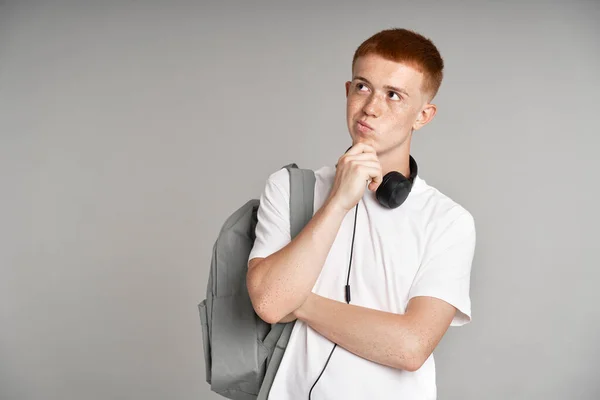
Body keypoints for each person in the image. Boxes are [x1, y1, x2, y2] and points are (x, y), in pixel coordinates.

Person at [246, 28, 476, 400]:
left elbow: (410, 347)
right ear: (348, 91)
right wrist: (337, 202)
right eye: (362, 87)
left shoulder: (448, 221)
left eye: (394, 95)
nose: (371, 107)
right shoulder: (290, 189)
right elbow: (271, 303)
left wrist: (299, 302)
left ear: (423, 115)